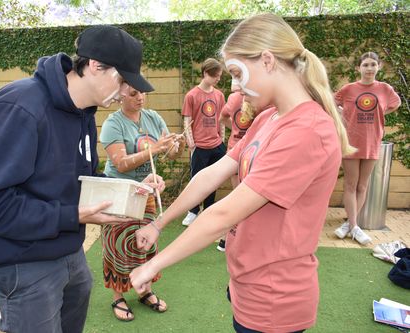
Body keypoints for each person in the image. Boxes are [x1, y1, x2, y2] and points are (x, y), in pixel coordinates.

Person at [131, 13, 356, 333]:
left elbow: (223, 214)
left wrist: (153, 265)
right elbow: (210, 175)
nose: (233, 85)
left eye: (237, 73)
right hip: (248, 282)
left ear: (267, 60)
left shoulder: (307, 130)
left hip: (274, 297)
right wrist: (159, 223)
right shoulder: (270, 119)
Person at [0, 25, 165, 333]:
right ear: (95, 66)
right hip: (23, 263)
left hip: (69, 252)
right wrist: (71, 214)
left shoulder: (83, 114)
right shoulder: (19, 107)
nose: (126, 92)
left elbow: (82, 180)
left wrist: (132, 188)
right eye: (123, 80)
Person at [99, 85, 185, 321]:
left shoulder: (153, 117)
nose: (140, 97)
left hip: (146, 190)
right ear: (119, 97)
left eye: (142, 93)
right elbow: (121, 164)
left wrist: (177, 145)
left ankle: (144, 290)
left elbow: (170, 153)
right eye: (134, 93)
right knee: (118, 244)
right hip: (119, 193)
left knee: (145, 242)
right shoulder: (112, 124)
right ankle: (118, 296)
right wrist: (156, 147)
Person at [334, 51, 401, 245]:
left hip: (372, 141)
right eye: (365, 65)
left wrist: (382, 111)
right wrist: (342, 114)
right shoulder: (348, 89)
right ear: (358, 68)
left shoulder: (385, 89)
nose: (369, 68)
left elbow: (394, 105)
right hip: (351, 142)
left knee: (362, 185)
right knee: (350, 185)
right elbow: (332, 102)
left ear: (379, 66)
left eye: (373, 64)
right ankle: (355, 226)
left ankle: (349, 225)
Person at [181, 58, 227, 226]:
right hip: (199, 146)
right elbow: (187, 121)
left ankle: (207, 211)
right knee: (196, 180)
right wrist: (191, 143)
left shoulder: (219, 95)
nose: (218, 79)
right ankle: (192, 211)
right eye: (216, 76)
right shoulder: (191, 95)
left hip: (217, 146)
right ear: (206, 73)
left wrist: (222, 139)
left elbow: (222, 119)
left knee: (213, 180)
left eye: (220, 76)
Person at [215, 88, 259, 252]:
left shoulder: (233, 98)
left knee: (239, 197)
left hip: (236, 149)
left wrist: (234, 128)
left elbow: (222, 118)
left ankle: (227, 239)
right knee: (244, 200)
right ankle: (228, 238)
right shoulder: (260, 98)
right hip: (251, 153)